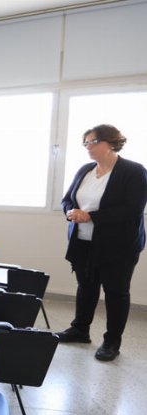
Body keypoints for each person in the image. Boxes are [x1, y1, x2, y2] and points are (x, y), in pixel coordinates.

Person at [57, 124, 147, 362]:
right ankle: (80, 330)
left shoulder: (133, 171)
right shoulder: (85, 170)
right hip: (83, 242)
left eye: (93, 142)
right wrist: (71, 212)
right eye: (86, 142)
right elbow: (67, 200)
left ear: (112, 142)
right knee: (86, 287)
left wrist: (90, 216)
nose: (88, 147)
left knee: (116, 292)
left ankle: (112, 342)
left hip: (119, 246)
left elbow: (132, 210)